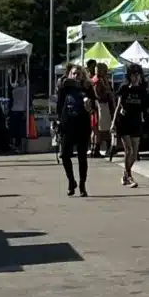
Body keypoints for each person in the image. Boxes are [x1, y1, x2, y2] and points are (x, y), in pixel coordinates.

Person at [55, 62, 92, 198]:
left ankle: (82, 185)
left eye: (79, 73)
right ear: (70, 74)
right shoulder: (65, 87)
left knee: (82, 157)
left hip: (82, 125)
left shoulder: (87, 87)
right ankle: (71, 181)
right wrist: (57, 121)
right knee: (64, 155)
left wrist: (89, 106)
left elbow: (92, 105)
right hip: (67, 125)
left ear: (82, 76)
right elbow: (59, 105)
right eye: (74, 73)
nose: (76, 76)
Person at [116, 61, 149, 186]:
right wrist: (113, 123)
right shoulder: (124, 89)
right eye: (133, 75)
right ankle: (130, 176)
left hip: (136, 122)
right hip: (124, 121)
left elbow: (146, 106)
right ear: (129, 76)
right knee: (129, 150)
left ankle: (125, 174)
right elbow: (118, 106)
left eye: (138, 75)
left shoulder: (142, 91)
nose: (136, 77)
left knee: (135, 154)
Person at [92, 64, 116, 160]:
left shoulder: (97, 79)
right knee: (103, 128)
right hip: (101, 105)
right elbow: (98, 94)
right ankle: (102, 149)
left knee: (99, 129)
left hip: (101, 105)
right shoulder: (98, 81)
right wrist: (108, 93)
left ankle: (97, 149)